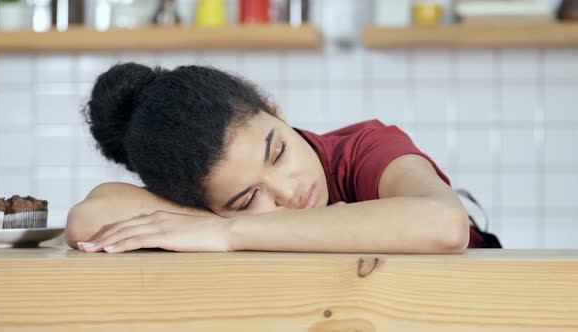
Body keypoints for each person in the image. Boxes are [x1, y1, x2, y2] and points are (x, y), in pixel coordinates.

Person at [65, 62, 500, 254]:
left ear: (276, 112)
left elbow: (445, 226)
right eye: (245, 198)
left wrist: (231, 231)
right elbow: (89, 219)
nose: (289, 191)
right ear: (202, 206)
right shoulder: (209, 211)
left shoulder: (365, 148)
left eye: (278, 152)